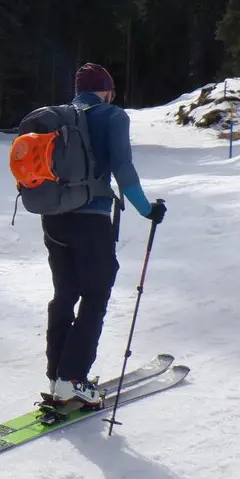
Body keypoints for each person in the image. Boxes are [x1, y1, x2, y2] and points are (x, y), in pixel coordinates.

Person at [42, 63, 166, 406]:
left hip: (53, 219)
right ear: (107, 90)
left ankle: (57, 377)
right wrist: (147, 209)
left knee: (64, 295)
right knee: (95, 297)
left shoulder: (58, 118)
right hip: (90, 222)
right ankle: (72, 378)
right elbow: (123, 168)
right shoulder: (112, 116)